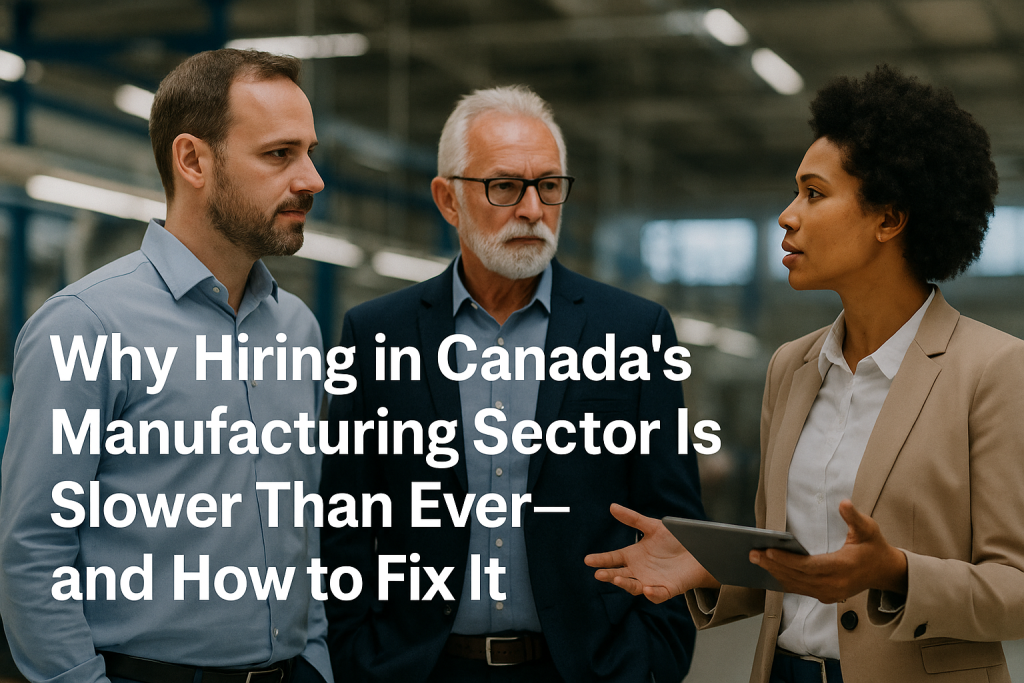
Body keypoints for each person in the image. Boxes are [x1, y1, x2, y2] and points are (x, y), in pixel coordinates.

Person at [586, 65, 1024, 683]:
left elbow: (1017, 587)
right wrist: (712, 561)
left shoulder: (994, 370)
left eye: (814, 194)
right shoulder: (791, 366)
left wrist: (896, 572)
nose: (788, 217)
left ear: (889, 219)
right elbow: (792, 562)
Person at [319, 85, 704, 683]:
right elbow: (345, 522)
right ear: (448, 199)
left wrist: (652, 659)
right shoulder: (376, 336)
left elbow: (674, 520)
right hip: (421, 669)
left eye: (548, 186)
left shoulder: (633, 332)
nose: (531, 209)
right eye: (504, 186)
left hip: (589, 670)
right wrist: (358, 657)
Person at [0, 49, 332, 683]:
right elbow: (32, 552)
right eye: (279, 154)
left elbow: (301, 526)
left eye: (309, 151)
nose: (311, 178)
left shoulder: (298, 332)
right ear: (192, 160)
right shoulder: (86, 325)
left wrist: (314, 656)